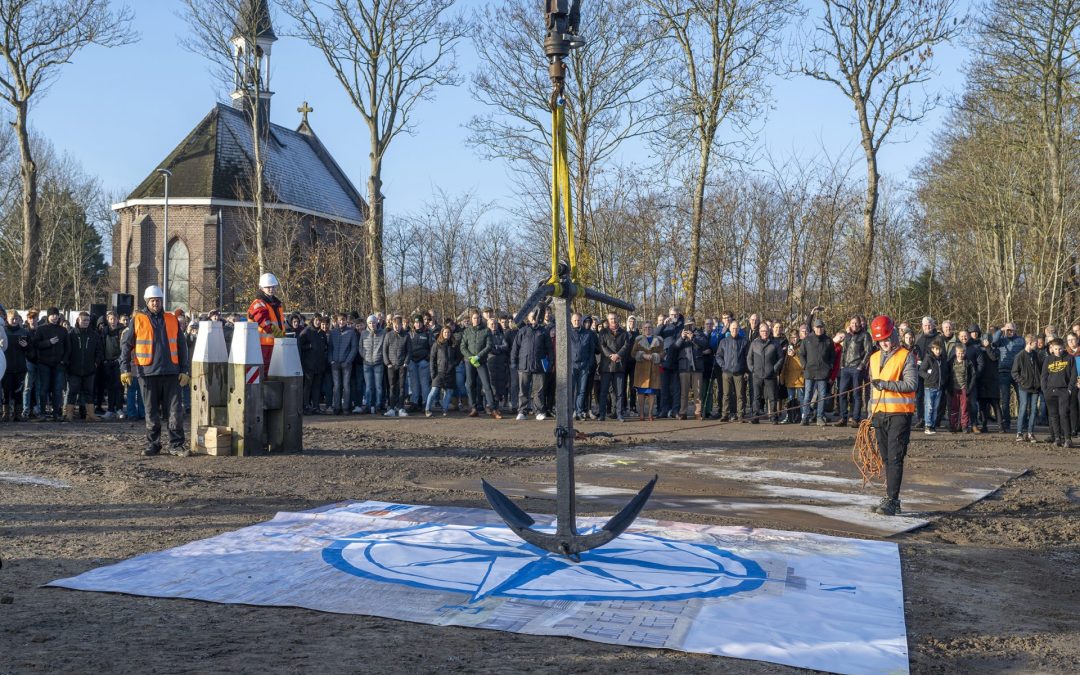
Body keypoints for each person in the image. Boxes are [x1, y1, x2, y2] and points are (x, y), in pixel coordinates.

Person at [120, 285, 190, 456]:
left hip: (171, 373)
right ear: (147, 302)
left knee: (175, 411)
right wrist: (125, 368)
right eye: (152, 301)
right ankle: (154, 444)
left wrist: (184, 370)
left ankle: (176, 445)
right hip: (147, 373)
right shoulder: (137, 320)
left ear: (162, 301)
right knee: (151, 412)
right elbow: (126, 345)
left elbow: (182, 346)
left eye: (158, 300)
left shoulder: (172, 319)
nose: (156, 303)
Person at [867, 315, 918, 516]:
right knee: (886, 459)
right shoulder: (873, 359)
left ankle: (893, 500)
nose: (884, 343)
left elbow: (912, 384)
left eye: (887, 338)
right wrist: (870, 414)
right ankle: (890, 497)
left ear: (894, 334)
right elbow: (872, 391)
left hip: (899, 414)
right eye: (880, 340)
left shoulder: (906, 356)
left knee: (895, 457)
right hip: (879, 414)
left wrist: (887, 385)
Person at [511, 309, 551, 420]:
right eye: (531, 316)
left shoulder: (543, 331)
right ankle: (522, 411)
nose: (533, 318)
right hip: (524, 365)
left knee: (538, 391)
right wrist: (514, 362)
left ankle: (538, 411)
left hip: (539, 366)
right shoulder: (522, 331)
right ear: (528, 318)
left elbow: (549, 350)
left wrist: (549, 364)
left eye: (535, 316)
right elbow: (515, 348)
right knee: (523, 391)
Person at [459, 310, 500, 419]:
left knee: (486, 384)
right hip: (469, 362)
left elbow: (489, 346)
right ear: (471, 319)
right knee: (470, 384)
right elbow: (462, 346)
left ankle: (493, 409)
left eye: (478, 318)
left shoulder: (486, 331)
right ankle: (473, 408)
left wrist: (478, 356)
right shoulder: (467, 331)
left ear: (480, 319)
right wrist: (470, 357)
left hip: (481, 361)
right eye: (474, 318)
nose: (476, 320)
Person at [66, 311, 104, 422]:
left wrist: (96, 363)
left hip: (89, 369)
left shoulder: (94, 335)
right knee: (72, 392)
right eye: (84, 320)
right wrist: (68, 364)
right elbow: (67, 351)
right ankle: (69, 414)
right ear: (78, 320)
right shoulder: (71, 334)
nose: (86, 322)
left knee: (89, 392)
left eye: (88, 320)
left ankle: (90, 415)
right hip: (74, 369)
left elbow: (99, 351)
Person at [33, 307, 68, 421]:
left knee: (57, 390)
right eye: (52, 315)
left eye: (56, 315)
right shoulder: (41, 329)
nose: (54, 317)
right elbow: (36, 344)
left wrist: (64, 360)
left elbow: (68, 348)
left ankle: (56, 414)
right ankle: (42, 413)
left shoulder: (63, 330)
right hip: (44, 364)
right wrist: (48, 342)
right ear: (48, 316)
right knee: (44, 389)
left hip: (59, 364)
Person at [836, 316, 872, 427]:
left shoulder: (865, 335)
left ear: (860, 324)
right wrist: (842, 365)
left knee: (856, 394)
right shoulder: (847, 336)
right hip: (846, 368)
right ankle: (843, 417)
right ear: (849, 324)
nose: (854, 325)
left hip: (857, 368)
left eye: (856, 323)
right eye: (852, 323)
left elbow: (868, 350)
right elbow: (844, 351)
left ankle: (856, 419)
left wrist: (861, 365)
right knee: (842, 393)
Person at [799, 310, 834, 427]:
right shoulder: (807, 340)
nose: (819, 329)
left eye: (821, 327)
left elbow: (832, 356)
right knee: (807, 395)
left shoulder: (828, 341)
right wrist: (804, 365)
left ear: (823, 328)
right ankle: (805, 417)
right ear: (814, 328)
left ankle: (820, 417)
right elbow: (801, 355)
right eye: (817, 327)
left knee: (822, 396)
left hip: (823, 373)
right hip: (809, 372)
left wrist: (829, 367)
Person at [1040, 338, 1076, 448]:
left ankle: (1068, 438)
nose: (1058, 351)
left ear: (1063, 347)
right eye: (1056, 349)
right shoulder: (1048, 359)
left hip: (1064, 390)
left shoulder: (1069, 358)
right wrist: (1045, 390)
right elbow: (1044, 376)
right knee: (1053, 416)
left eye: (1060, 349)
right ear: (1052, 348)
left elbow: (1073, 375)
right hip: (1050, 391)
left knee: (1064, 414)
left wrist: (1069, 389)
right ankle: (1057, 438)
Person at [247, 272, 286, 373]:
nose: (271, 289)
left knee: (273, 371)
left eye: (273, 287)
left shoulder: (276, 303)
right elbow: (265, 323)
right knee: (265, 371)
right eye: (268, 287)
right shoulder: (258, 304)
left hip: (274, 343)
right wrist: (281, 336)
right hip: (263, 345)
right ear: (261, 288)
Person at [992, 322, 1026, 433]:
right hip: (1004, 372)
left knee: (1022, 399)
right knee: (1005, 400)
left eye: (1012, 330)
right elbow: (993, 342)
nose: (1010, 332)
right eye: (1008, 330)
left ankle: (1023, 422)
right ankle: (1007, 422)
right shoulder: (1001, 340)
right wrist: (1001, 331)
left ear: (1016, 330)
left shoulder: (1021, 340)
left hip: (1018, 372)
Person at [747, 322, 784, 424]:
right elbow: (749, 358)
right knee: (756, 397)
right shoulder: (754, 343)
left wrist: (774, 369)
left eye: (766, 331)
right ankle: (755, 417)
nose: (765, 333)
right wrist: (752, 369)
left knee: (772, 398)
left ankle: (773, 417)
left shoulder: (775, 344)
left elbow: (781, 358)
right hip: (757, 375)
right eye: (763, 331)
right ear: (759, 331)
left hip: (770, 375)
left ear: (769, 331)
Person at [598, 312, 631, 422]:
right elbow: (602, 346)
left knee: (620, 393)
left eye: (615, 318)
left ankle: (619, 414)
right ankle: (602, 414)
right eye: (611, 319)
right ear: (608, 320)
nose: (613, 320)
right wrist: (610, 355)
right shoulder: (603, 332)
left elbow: (626, 346)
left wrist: (618, 355)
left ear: (618, 319)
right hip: (606, 367)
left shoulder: (624, 333)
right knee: (603, 392)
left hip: (619, 366)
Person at [1011, 334, 1042, 443]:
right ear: (1030, 343)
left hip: (1036, 387)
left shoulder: (1036, 355)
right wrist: (1023, 381)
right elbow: (1014, 372)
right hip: (1024, 387)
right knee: (1023, 408)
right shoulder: (1019, 356)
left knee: (1033, 410)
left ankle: (1030, 433)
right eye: (1035, 343)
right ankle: (1019, 432)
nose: (1037, 345)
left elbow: (1040, 369)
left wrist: (1039, 382)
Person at [716, 319, 749, 421]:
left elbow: (748, 357)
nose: (734, 330)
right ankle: (725, 415)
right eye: (733, 328)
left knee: (740, 395)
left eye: (736, 328)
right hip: (726, 372)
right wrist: (723, 366)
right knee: (726, 394)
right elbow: (718, 356)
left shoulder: (744, 341)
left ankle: (740, 415)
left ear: (739, 329)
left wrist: (746, 370)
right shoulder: (724, 342)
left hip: (739, 372)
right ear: (729, 329)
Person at [631, 321, 663, 421]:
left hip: (654, 369)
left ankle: (650, 413)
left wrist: (655, 356)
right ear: (642, 329)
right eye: (645, 328)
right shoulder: (638, 339)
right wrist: (642, 355)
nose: (647, 329)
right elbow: (633, 353)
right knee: (640, 393)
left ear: (652, 329)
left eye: (649, 327)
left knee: (651, 393)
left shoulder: (658, 340)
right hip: (641, 370)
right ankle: (641, 413)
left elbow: (663, 352)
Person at [675, 320, 706, 420]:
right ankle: (683, 412)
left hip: (697, 367)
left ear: (694, 324)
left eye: (691, 324)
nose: (689, 326)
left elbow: (705, 345)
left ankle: (698, 412)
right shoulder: (680, 334)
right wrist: (681, 338)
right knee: (684, 392)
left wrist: (693, 338)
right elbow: (674, 347)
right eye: (687, 325)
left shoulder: (699, 334)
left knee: (698, 391)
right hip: (684, 366)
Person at [2, 311, 30, 422]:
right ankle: (6, 414)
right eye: (12, 319)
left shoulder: (24, 331)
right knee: (5, 392)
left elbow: (31, 350)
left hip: (20, 367)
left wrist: (27, 346)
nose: (14, 321)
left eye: (16, 319)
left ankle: (18, 414)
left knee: (18, 392)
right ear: (7, 319)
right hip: (6, 367)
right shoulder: (3, 331)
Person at [327, 314, 358, 415]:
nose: (341, 322)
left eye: (343, 320)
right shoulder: (333, 332)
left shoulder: (351, 332)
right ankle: (337, 407)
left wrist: (348, 361)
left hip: (346, 363)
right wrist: (331, 360)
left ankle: (346, 407)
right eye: (340, 320)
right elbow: (330, 347)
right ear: (337, 321)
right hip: (335, 363)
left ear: (346, 321)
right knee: (336, 386)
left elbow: (354, 348)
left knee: (346, 385)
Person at [383, 314, 412, 417]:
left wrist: (406, 362)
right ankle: (391, 408)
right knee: (391, 387)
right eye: (395, 325)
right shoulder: (388, 335)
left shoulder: (406, 336)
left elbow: (409, 351)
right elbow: (384, 350)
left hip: (402, 365)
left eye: (398, 325)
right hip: (391, 365)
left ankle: (401, 408)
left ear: (401, 325)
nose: (396, 327)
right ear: (392, 325)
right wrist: (387, 363)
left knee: (401, 387)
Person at [298, 315, 329, 414]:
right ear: (313, 320)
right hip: (308, 364)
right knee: (307, 386)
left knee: (317, 387)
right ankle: (305, 406)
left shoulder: (322, 333)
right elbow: (299, 346)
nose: (318, 322)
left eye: (320, 321)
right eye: (317, 320)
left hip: (319, 364)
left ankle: (316, 407)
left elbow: (325, 347)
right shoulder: (306, 332)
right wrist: (309, 346)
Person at [426, 325, 457, 417]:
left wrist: (454, 364)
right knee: (434, 390)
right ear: (442, 333)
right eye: (445, 332)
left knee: (449, 392)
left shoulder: (454, 345)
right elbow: (432, 359)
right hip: (439, 372)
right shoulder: (437, 344)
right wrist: (432, 373)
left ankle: (445, 409)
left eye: (448, 332)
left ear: (450, 334)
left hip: (450, 373)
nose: (446, 334)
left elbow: (459, 357)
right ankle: (427, 409)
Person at [360, 314, 387, 414]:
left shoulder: (383, 333)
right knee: (368, 386)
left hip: (378, 363)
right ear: (367, 324)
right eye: (370, 323)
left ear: (377, 323)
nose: (372, 324)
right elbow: (360, 347)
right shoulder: (363, 333)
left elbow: (385, 347)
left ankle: (379, 405)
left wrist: (380, 357)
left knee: (378, 386)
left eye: (374, 322)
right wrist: (364, 356)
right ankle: (368, 405)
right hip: (366, 363)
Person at [918, 340, 946, 434]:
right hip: (929, 387)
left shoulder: (942, 359)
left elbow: (944, 371)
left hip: (939, 387)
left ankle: (933, 426)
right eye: (936, 349)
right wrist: (929, 376)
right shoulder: (928, 358)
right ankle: (927, 426)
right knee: (929, 407)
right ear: (932, 349)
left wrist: (943, 381)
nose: (938, 351)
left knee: (935, 407)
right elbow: (921, 371)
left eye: (940, 349)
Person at [948, 344, 976, 433]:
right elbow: (947, 375)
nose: (961, 354)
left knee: (965, 409)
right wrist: (949, 388)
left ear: (965, 352)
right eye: (959, 353)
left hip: (964, 388)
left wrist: (969, 388)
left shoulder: (968, 362)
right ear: (956, 353)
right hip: (954, 389)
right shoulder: (951, 362)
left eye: (962, 352)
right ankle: (953, 426)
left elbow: (973, 376)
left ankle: (964, 426)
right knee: (954, 408)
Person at [407, 315, 433, 411]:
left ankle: (425, 403)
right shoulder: (410, 333)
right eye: (416, 322)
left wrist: (427, 358)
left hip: (423, 361)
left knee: (424, 383)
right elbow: (406, 347)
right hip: (412, 361)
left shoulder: (428, 333)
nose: (418, 324)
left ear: (422, 323)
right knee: (414, 384)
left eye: (419, 322)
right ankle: (414, 402)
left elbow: (432, 348)